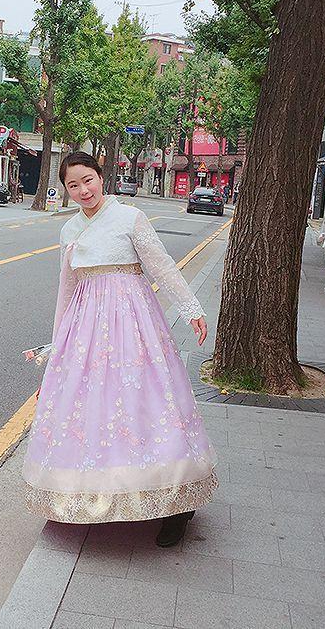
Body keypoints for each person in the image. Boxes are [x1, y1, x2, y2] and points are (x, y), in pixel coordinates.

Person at [23, 152, 218, 548]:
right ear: (66, 189)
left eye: (88, 180)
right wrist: (58, 346)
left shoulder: (129, 218)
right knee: (93, 410)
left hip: (134, 326)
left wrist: (192, 308)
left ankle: (177, 506)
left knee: (149, 403)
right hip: (87, 330)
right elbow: (66, 289)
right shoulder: (69, 230)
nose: (83, 190)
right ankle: (98, 496)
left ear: (101, 177)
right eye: (73, 185)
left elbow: (162, 266)